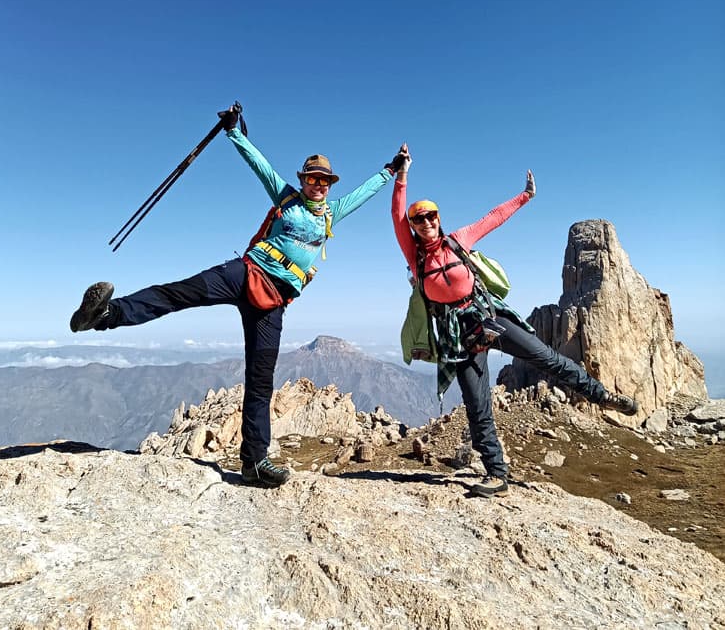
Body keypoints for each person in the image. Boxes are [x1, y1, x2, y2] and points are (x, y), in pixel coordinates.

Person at [70, 104, 400, 488]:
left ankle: (254, 462)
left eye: (324, 180)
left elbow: (365, 192)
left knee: (261, 381)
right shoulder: (286, 197)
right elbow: (258, 163)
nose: (318, 184)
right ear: (303, 179)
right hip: (244, 274)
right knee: (180, 293)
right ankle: (106, 315)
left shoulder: (332, 213)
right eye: (313, 178)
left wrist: (390, 170)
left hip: (274, 301)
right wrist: (234, 132)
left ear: (330, 184)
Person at [390, 144, 638, 498]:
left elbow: (492, 218)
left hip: (487, 318)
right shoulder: (414, 256)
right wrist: (403, 175)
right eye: (419, 219)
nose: (426, 222)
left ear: (439, 219)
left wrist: (525, 196)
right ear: (413, 226)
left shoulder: (457, 241)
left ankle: (603, 396)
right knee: (477, 405)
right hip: (457, 336)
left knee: (546, 358)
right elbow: (396, 214)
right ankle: (497, 474)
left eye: (431, 216)